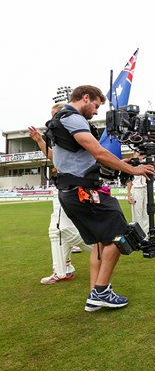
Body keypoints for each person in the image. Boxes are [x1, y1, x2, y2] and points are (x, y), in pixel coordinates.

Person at [47, 85, 154, 312]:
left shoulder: (61, 120)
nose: (96, 112)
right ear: (85, 98)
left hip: (72, 191)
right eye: (95, 105)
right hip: (82, 191)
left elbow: (82, 159)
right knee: (122, 233)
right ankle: (101, 291)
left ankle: (94, 295)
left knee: (100, 243)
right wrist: (133, 169)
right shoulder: (73, 119)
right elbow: (99, 153)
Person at [29, 102, 91, 285]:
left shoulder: (70, 131)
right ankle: (64, 269)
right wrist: (40, 140)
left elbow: (58, 160)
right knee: (58, 231)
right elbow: (54, 158)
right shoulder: (60, 134)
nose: (53, 117)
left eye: (56, 113)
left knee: (59, 231)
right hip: (66, 187)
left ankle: (102, 248)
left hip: (69, 187)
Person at [126, 151, 150, 235]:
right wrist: (129, 195)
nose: (139, 154)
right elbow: (129, 181)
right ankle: (138, 235)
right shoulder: (131, 164)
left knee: (146, 212)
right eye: (137, 152)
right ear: (133, 153)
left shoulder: (146, 161)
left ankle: (146, 234)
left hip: (145, 188)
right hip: (136, 189)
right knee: (137, 213)